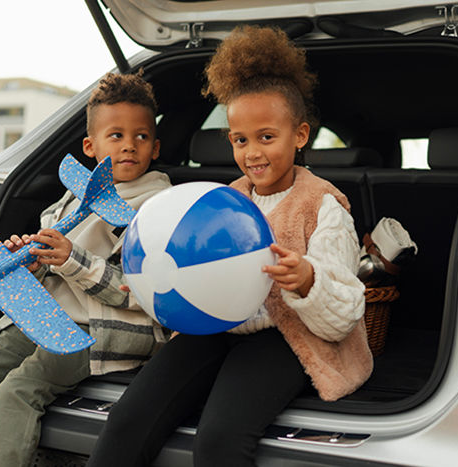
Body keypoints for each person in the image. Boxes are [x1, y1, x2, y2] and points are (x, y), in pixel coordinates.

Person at [85, 25, 372, 467]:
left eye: (266, 137)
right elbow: (177, 260)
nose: (252, 152)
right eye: (240, 140)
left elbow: (347, 310)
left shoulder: (323, 205)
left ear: (299, 135)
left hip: (288, 335)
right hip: (215, 326)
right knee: (126, 420)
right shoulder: (223, 200)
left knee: (219, 438)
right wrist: (149, 284)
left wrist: (308, 279)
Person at [0, 72, 173, 467]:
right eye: (115, 136)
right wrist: (31, 261)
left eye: (141, 137)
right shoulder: (70, 199)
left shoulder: (158, 205)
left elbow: (139, 292)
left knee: (16, 393)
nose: (129, 146)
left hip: (95, 332)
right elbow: (51, 274)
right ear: (91, 146)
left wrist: (70, 259)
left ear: (155, 147)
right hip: (43, 320)